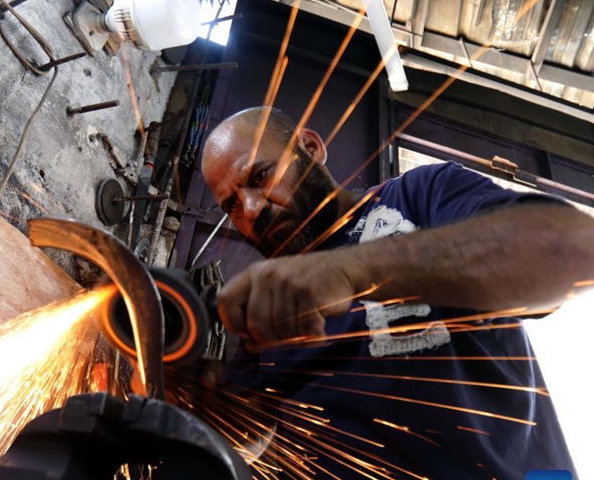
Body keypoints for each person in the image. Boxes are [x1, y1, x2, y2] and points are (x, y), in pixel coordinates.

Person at [199, 107, 594, 479]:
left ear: (311, 148)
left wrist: (351, 269)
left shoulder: (418, 196)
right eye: (231, 205)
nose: (250, 210)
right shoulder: (266, 308)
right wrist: (206, 398)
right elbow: (248, 439)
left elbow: (571, 250)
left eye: (260, 177)